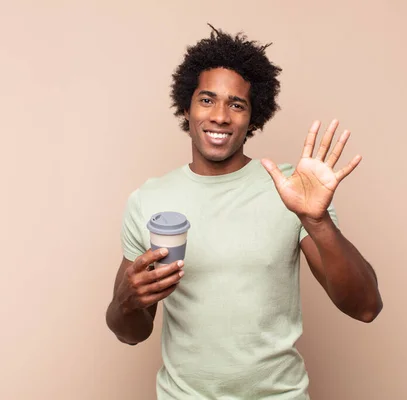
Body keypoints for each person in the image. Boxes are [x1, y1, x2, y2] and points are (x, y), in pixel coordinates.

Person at [106, 25, 383, 399]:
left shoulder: (291, 190)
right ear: (186, 108)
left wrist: (315, 221)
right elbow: (130, 333)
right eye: (207, 100)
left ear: (254, 119)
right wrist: (126, 300)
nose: (220, 116)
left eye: (236, 104)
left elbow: (365, 307)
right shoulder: (149, 200)